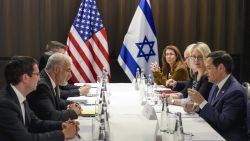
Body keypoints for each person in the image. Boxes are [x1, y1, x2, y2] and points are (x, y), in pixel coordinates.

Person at [0, 56, 78, 141]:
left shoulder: (20, 95)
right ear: (25, 78)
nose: (39, 78)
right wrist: (63, 134)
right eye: (37, 74)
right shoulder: (6, 104)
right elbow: (25, 138)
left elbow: (35, 123)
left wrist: (61, 125)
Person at [186, 51, 248, 141]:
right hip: (215, 131)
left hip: (227, 137)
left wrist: (202, 102)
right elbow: (214, 111)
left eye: (209, 68)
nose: (206, 72)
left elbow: (223, 123)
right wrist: (197, 108)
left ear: (221, 68)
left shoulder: (235, 92)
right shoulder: (216, 84)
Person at [27, 53, 82, 121]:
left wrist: (72, 103)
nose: (70, 75)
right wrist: (73, 113)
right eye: (68, 70)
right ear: (56, 69)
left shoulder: (50, 80)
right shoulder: (42, 86)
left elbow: (57, 101)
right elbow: (52, 115)